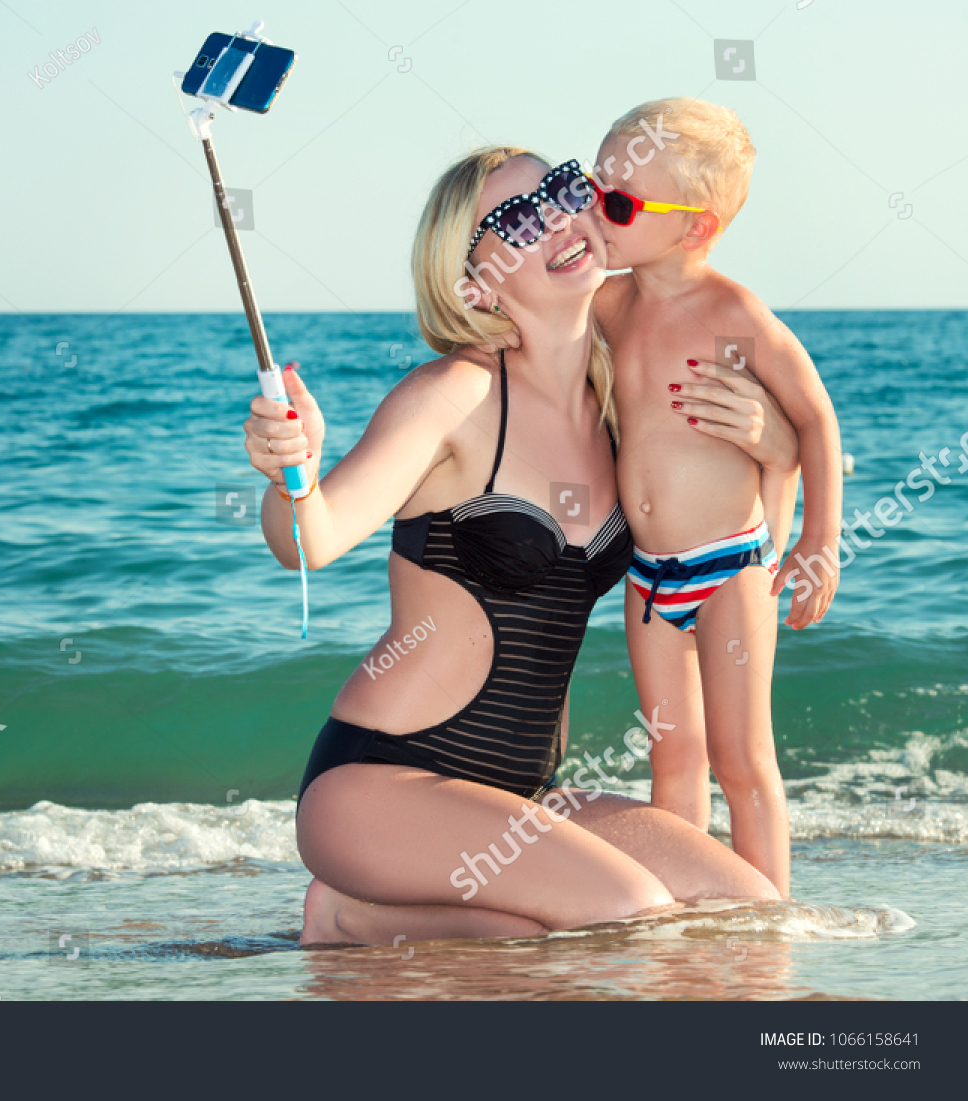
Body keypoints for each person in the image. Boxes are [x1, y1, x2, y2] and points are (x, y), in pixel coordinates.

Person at [244, 146, 800, 945]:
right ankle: (346, 912)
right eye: (514, 218)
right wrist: (289, 470)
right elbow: (312, 538)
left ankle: (416, 922)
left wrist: (779, 446)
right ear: (473, 283)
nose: (554, 217)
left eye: (561, 189)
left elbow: (715, 519)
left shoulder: (621, 401)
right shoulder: (457, 396)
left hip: (524, 797)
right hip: (382, 783)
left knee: (741, 912)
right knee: (628, 920)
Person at [592, 98, 844, 896]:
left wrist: (816, 542)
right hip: (647, 576)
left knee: (742, 757)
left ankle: (768, 911)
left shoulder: (732, 312)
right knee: (675, 755)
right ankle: (685, 907)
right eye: (590, 187)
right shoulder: (608, 304)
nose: (598, 209)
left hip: (731, 566)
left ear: (694, 226)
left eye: (619, 203)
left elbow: (815, 419)